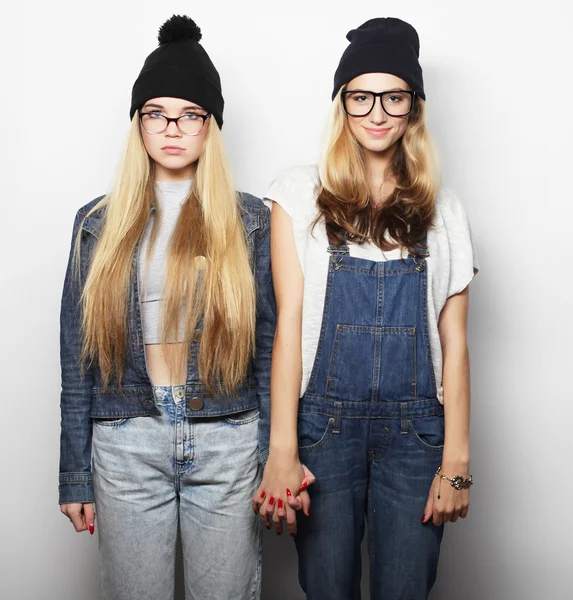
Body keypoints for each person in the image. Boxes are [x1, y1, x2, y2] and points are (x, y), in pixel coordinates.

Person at [255, 17, 478, 599]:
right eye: (361, 96)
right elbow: (288, 330)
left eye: (394, 96)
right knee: (327, 589)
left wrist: (456, 461)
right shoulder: (298, 193)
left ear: (413, 108)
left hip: (417, 438)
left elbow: (454, 345)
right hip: (323, 432)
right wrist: (283, 450)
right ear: (343, 104)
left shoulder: (443, 209)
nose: (377, 112)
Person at [58, 15, 275, 600]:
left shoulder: (252, 220)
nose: (172, 128)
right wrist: (75, 473)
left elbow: (271, 346)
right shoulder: (95, 225)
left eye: (189, 115)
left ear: (211, 126)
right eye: (156, 113)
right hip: (127, 438)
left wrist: (273, 453)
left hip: (227, 434)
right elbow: (76, 358)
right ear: (138, 124)